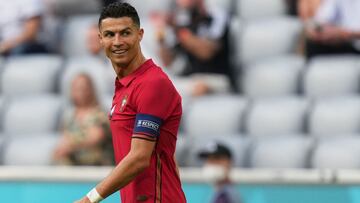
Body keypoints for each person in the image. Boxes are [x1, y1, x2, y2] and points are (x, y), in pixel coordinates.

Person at [75, 2, 186, 203]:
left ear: (140, 34)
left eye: (125, 33)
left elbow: (140, 158)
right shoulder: (124, 86)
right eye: (109, 35)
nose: (117, 41)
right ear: (100, 39)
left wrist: (89, 199)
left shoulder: (153, 83)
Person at [156, 0, 236, 97]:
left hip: (218, 79)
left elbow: (206, 52)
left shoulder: (217, 15)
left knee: (198, 88)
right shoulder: (182, 20)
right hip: (192, 79)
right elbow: (168, 62)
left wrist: (177, 29)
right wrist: (161, 39)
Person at [53, 73, 113, 166]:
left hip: (97, 166)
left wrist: (71, 145)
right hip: (76, 167)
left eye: (83, 88)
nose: (80, 92)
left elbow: (96, 137)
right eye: (76, 88)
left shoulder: (99, 113)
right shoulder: (70, 117)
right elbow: (65, 138)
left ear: (91, 90)